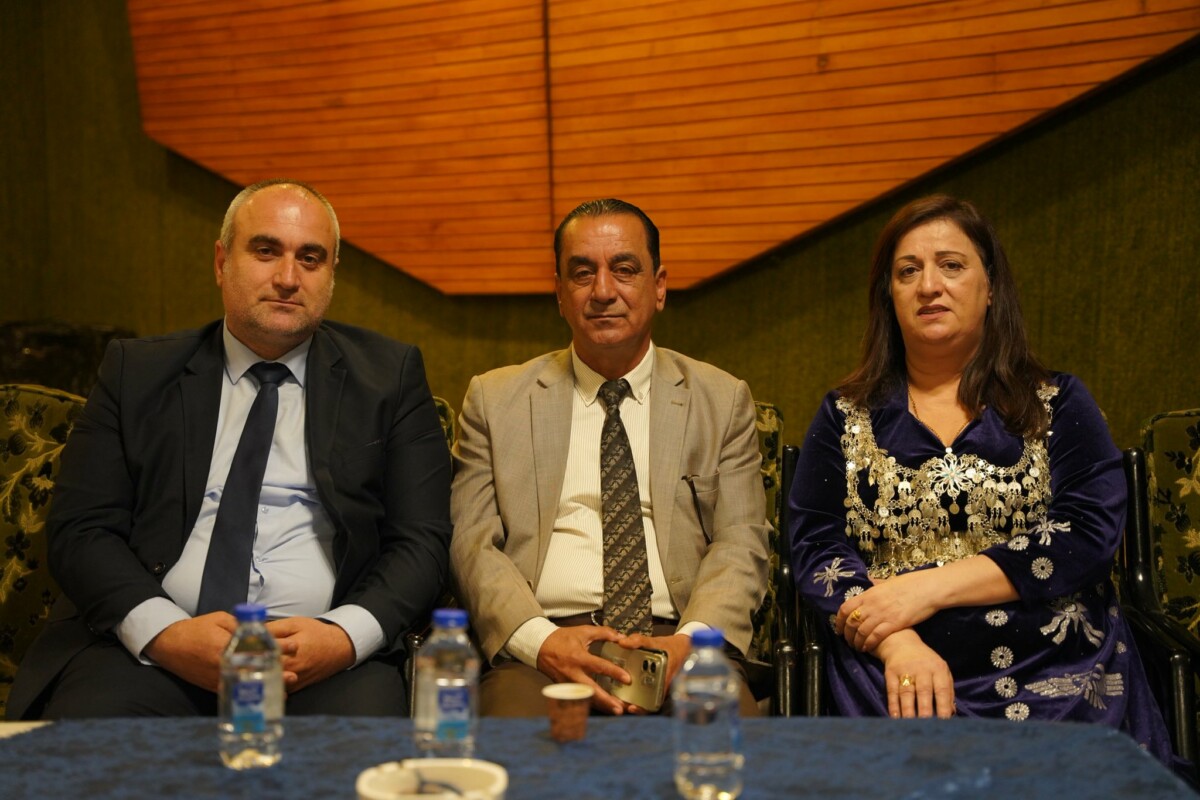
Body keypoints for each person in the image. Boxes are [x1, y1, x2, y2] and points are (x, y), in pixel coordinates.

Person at [7, 179, 451, 720]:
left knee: (359, 757)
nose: (288, 277)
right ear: (221, 262)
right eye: (265, 251)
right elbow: (82, 529)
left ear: (332, 274)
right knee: (93, 752)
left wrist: (342, 636)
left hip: (323, 662)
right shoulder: (137, 372)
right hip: (153, 652)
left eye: (310, 258)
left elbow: (422, 541)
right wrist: (165, 632)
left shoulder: (389, 377)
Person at [788, 194, 1174, 762]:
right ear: (888, 295)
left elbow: (1088, 534)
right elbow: (815, 546)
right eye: (908, 271)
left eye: (951, 265)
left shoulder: (1058, 402)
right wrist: (896, 640)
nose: (929, 286)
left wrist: (924, 588)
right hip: (894, 675)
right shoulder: (844, 416)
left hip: (1057, 673)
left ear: (990, 287)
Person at [450, 198, 769, 717]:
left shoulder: (721, 400)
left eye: (624, 269)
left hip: (678, 642)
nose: (603, 291)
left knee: (729, 745)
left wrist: (687, 644)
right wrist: (540, 641)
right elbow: (472, 544)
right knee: (514, 746)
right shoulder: (495, 400)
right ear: (559, 292)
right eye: (582, 273)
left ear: (658, 286)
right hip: (542, 649)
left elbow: (741, 542)